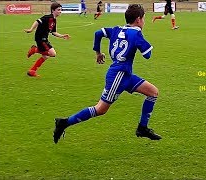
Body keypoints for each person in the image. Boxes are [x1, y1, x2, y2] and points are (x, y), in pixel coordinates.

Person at [53, 4, 162, 144]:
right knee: (100, 109)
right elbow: (148, 54)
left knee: (153, 92)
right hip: (118, 76)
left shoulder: (116, 29)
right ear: (138, 19)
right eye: (144, 19)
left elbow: (98, 33)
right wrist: (139, 41)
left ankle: (142, 128)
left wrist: (98, 52)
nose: (144, 22)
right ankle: (64, 122)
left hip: (125, 75)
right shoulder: (136, 34)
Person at [24, 2, 70, 77]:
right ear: (53, 10)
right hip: (41, 38)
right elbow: (37, 21)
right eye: (58, 10)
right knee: (52, 53)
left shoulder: (54, 20)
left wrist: (62, 36)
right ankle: (35, 50)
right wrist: (31, 29)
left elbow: (54, 32)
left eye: (61, 10)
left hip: (44, 39)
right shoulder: (48, 17)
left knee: (45, 56)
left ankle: (32, 71)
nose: (60, 11)